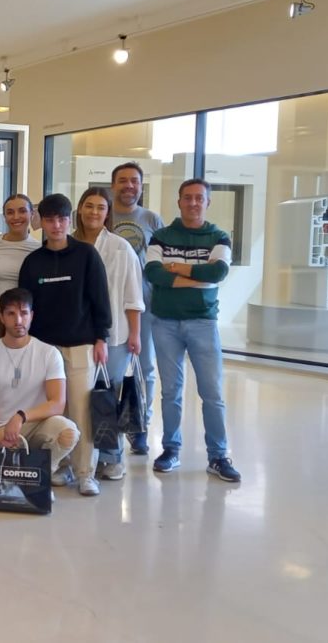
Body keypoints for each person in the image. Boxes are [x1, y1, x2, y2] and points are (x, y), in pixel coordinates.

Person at [145, 178, 241, 482]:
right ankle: (170, 449)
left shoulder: (219, 237)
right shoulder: (161, 236)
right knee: (171, 391)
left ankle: (218, 456)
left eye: (199, 198)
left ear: (207, 202)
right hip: (165, 322)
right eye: (188, 198)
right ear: (179, 202)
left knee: (212, 393)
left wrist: (176, 268)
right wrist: (197, 277)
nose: (193, 203)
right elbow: (152, 273)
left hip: (203, 322)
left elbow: (218, 272)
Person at [19, 194, 111, 497]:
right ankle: (59, 466)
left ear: (69, 220)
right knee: (49, 412)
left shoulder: (86, 255)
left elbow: (100, 299)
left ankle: (86, 472)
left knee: (82, 410)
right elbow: (25, 307)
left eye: (61, 219)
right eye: (49, 219)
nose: (56, 225)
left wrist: (102, 338)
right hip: (44, 349)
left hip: (81, 345)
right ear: (40, 223)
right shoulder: (33, 262)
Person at [72, 187, 144, 482]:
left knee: (107, 397)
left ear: (108, 213)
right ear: (79, 210)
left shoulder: (120, 248)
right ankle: (79, 456)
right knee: (79, 400)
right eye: (89, 206)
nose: (94, 212)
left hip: (115, 336)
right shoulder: (67, 244)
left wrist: (135, 336)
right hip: (76, 333)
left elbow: (132, 295)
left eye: (101, 208)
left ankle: (112, 458)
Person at [0, 288, 78, 478]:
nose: (18, 320)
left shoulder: (49, 353)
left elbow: (57, 403)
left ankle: (41, 474)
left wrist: (21, 416)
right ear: (2, 318)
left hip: (35, 425)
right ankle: (19, 472)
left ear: (32, 316)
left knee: (68, 431)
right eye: (11, 314)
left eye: (23, 313)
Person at [110, 162, 164, 455]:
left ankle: (140, 428)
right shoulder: (104, 215)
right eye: (122, 181)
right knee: (110, 370)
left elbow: (162, 263)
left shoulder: (153, 220)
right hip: (109, 304)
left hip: (144, 305)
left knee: (145, 369)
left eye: (134, 181)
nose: (128, 186)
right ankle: (109, 426)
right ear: (113, 185)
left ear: (141, 186)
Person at [0, 194, 41, 340]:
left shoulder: (38, 249)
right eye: (10, 212)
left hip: (22, 321)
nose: (16, 217)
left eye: (22, 211)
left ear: (31, 214)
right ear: (4, 217)